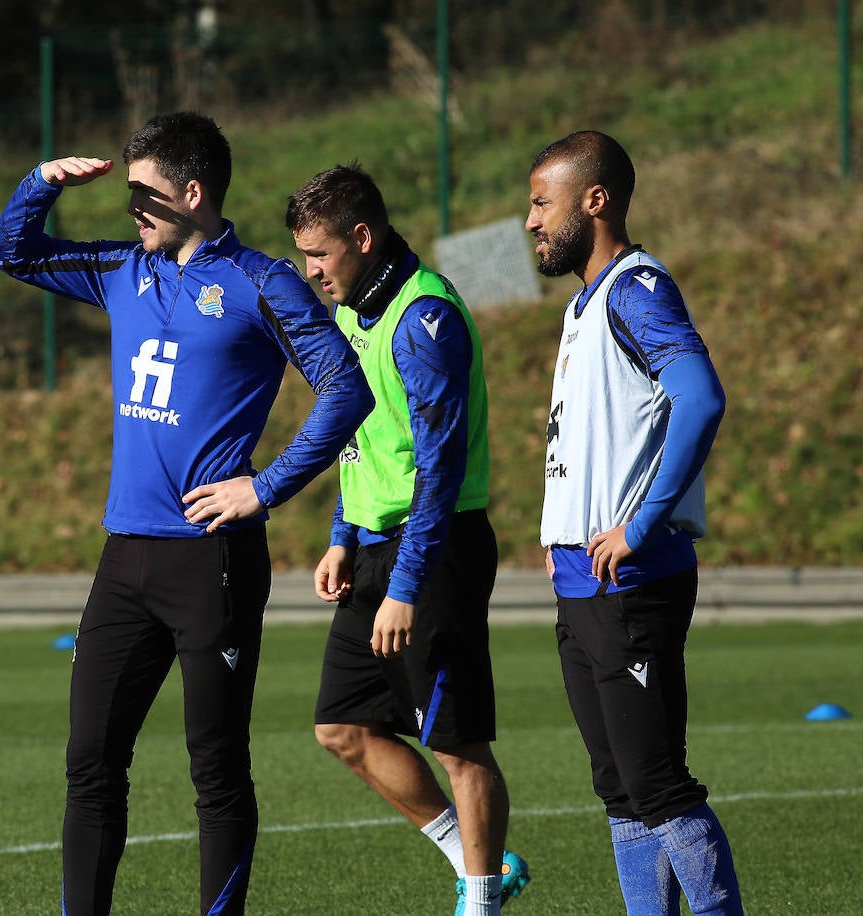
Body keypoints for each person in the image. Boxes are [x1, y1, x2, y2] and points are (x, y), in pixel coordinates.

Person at [0, 111, 373, 916]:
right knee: (90, 758)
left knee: (216, 765)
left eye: (144, 192)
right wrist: (38, 185)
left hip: (214, 561)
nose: (130, 207)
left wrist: (263, 489)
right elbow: (9, 252)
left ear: (192, 193)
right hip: (124, 559)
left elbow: (348, 390)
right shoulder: (122, 271)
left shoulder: (262, 282)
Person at [286, 163, 530, 916]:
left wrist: (402, 587)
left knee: (456, 744)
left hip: (436, 550)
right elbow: (365, 438)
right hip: (375, 545)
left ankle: (480, 903)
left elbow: (438, 471)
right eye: (303, 256)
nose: (311, 272)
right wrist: (341, 535)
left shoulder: (426, 320)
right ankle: (476, 862)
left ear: (362, 238)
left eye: (320, 254)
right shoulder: (354, 310)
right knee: (342, 727)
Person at [526, 130, 744, 915]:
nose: (530, 221)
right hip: (582, 586)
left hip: (632, 582)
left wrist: (640, 523)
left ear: (596, 200)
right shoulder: (587, 304)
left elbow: (702, 397)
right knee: (619, 791)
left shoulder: (635, 289)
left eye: (542, 202)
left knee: (657, 785)